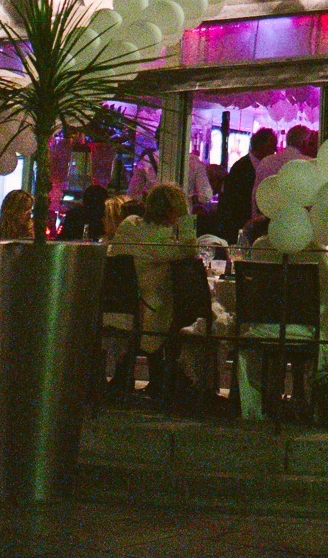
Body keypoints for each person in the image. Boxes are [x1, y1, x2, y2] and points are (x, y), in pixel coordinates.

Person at [108, 182, 197, 402]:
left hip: (120, 303)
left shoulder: (129, 224)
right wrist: (187, 219)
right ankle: (168, 377)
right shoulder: (163, 241)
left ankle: (130, 374)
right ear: (171, 211)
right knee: (174, 307)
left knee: (159, 293)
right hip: (147, 306)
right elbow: (190, 248)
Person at [217, 130, 276, 245]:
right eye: (272, 145)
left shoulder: (266, 167)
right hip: (240, 225)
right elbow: (231, 201)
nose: (274, 149)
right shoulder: (240, 167)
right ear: (260, 145)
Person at [251, 124, 310, 211]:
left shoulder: (266, 162)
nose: (275, 149)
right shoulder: (308, 164)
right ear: (305, 143)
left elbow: (256, 198)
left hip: (267, 215)